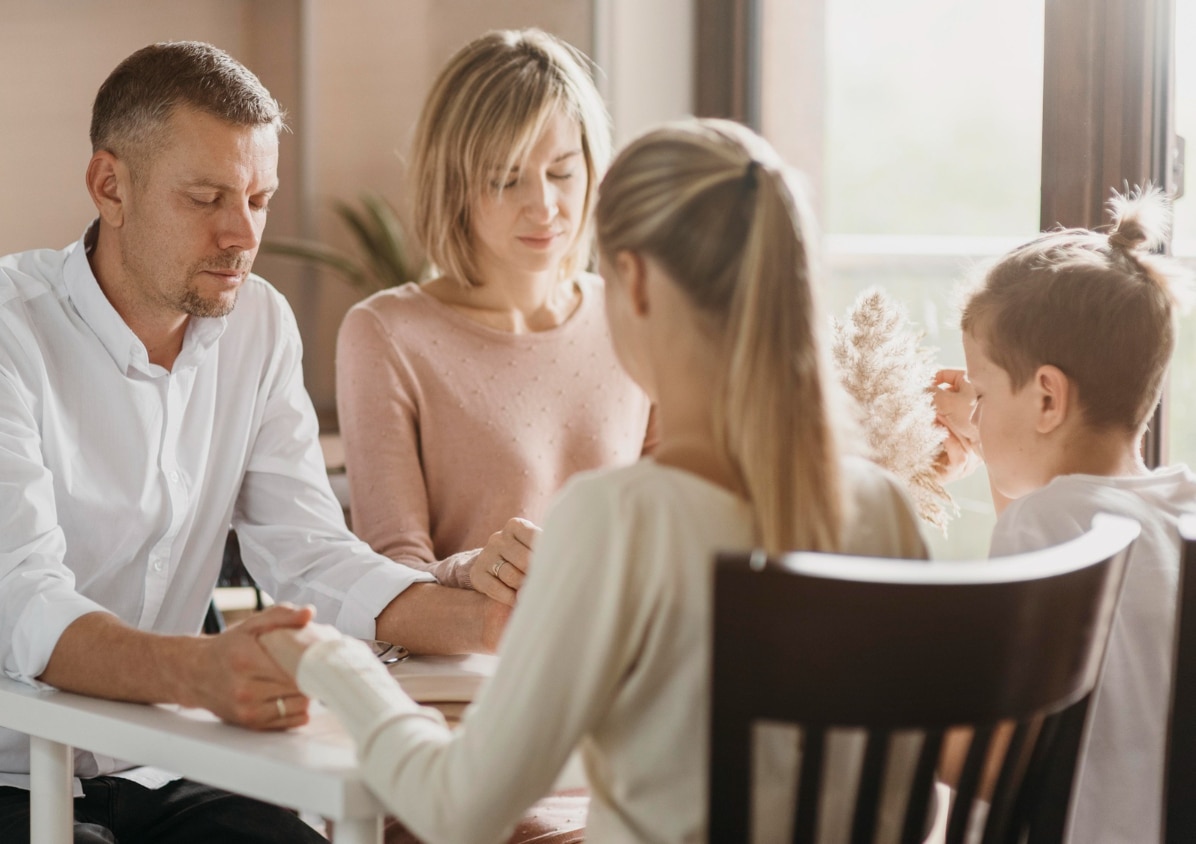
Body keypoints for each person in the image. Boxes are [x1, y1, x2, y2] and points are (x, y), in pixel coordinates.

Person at [0, 41, 508, 844]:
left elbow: (310, 553)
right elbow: (23, 604)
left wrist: (492, 624)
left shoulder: (259, 327)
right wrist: (202, 674)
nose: (241, 234)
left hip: (154, 762)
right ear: (109, 185)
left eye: (258, 199)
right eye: (206, 197)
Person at [259, 118, 929, 843]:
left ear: (634, 281)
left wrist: (333, 665)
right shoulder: (882, 510)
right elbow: (912, 802)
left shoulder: (618, 519)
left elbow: (456, 810)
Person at [336, 28, 653, 608]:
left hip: (625, 662)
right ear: (453, 184)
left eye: (561, 172)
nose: (544, 205)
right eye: (506, 178)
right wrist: (471, 569)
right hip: (471, 672)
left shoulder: (635, 312)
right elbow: (390, 570)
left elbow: (671, 522)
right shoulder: (386, 332)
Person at [932, 187, 1194, 844]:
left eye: (983, 391)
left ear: (1047, 396)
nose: (976, 411)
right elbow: (1053, 518)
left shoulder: (1047, 526)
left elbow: (997, 764)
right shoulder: (1177, 509)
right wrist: (994, 434)